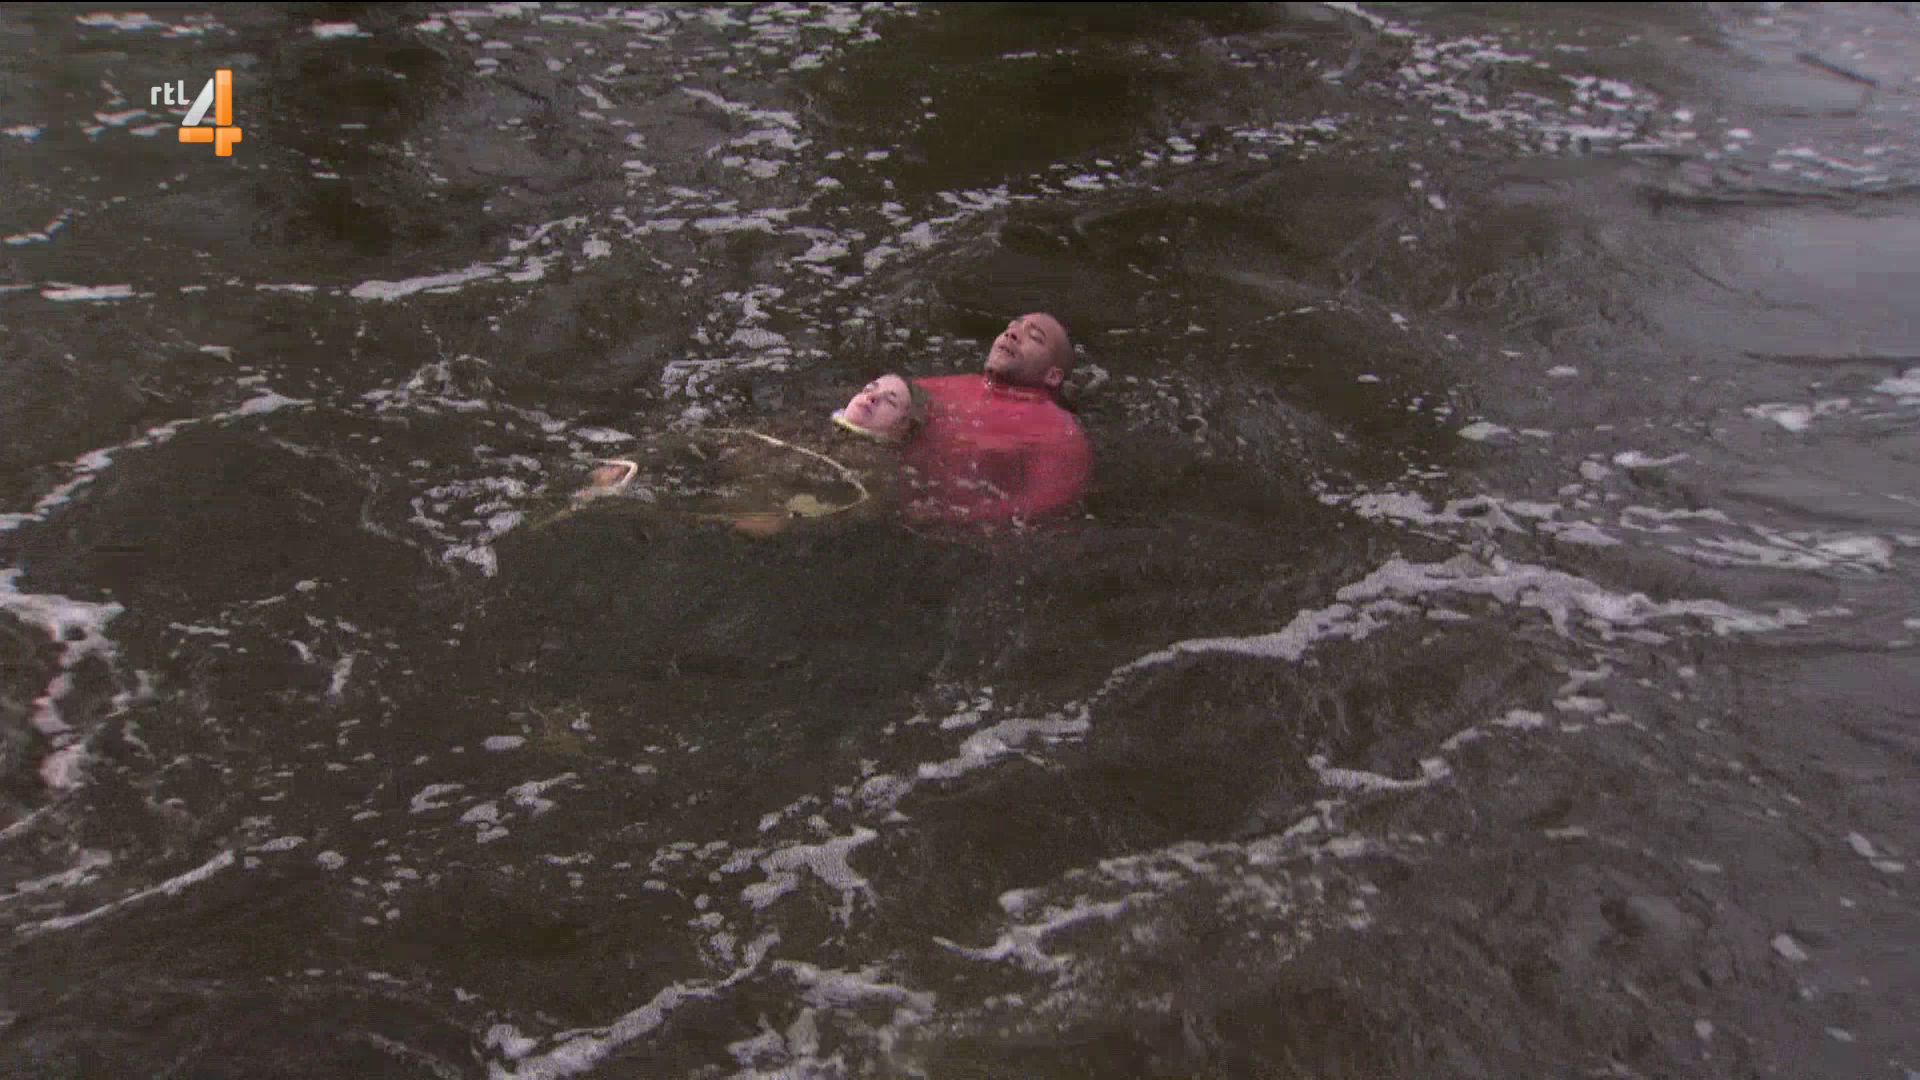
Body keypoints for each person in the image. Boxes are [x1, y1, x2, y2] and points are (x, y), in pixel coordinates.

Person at [563, 375, 929, 536]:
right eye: (870, 388)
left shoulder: (878, 471)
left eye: (889, 401)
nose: (870, 397)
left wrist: (789, 524)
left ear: (902, 428)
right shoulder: (799, 422)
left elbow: (859, 516)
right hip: (713, 476)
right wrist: (638, 459)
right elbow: (709, 438)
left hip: (741, 516)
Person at [902, 312, 1093, 526]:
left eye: (1035, 337)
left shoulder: (1059, 430)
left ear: (1053, 376)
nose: (1012, 334)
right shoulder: (951, 386)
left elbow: (1047, 503)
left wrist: (956, 517)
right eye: (1011, 327)